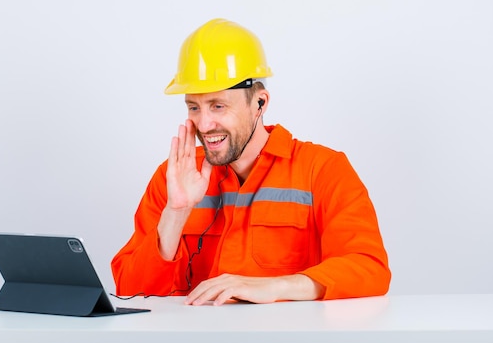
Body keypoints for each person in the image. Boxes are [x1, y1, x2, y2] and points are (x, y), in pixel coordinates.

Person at [111, 18, 391, 306]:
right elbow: (130, 290)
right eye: (194, 107)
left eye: (218, 106)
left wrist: (275, 287)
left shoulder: (322, 170)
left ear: (260, 103)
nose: (204, 124)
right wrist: (176, 213)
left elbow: (369, 268)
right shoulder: (174, 178)